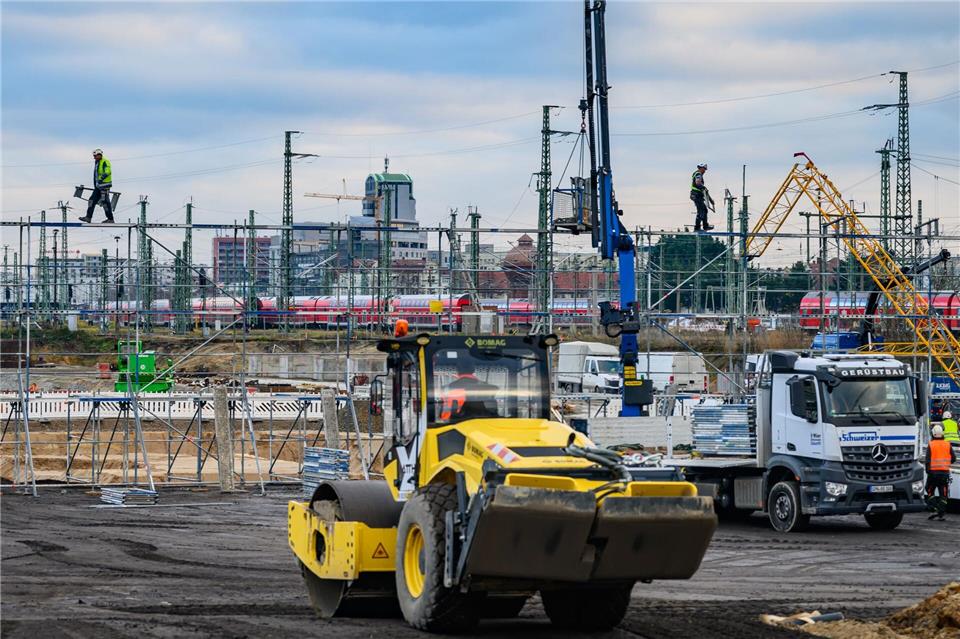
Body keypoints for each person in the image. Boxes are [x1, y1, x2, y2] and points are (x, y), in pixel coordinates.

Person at [440, 356, 498, 422]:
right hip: (484, 426)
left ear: (458, 370)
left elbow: (442, 415)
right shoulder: (488, 388)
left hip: (452, 426)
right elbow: (493, 412)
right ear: (473, 369)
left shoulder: (446, 389)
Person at [925, 423, 956, 521]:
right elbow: (954, 458)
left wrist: (928, 471)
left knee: (929, 490)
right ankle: (941, 513)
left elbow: (927, 460)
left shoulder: (931, 444)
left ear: (933, 434)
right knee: (944, 494)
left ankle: (934, 509)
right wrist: (946, 464)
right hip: (944, 473)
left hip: (933, 474)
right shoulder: (947, 444)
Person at [79, 148, 114, 223]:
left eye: (95, 156)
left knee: (105, 202)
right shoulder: (97, 162)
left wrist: (101, 178)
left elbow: (108, 171)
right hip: (98, 186)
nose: (94, 157)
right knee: (92, 200)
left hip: (104, 185)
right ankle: (88, 217)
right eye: (94, 156)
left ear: (99, 155)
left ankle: (110, 219)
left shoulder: (105, 161)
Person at [690, 163, 714, 232]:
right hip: (696, 195)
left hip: (697, 195)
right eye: (704, 169)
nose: (705, 171)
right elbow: (698, 183)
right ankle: (697, 228)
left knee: (704, 210)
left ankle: (705, 226)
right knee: (701, 211)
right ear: (700, 168)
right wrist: (703, 187)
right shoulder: (698, 174)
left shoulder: (698, 174)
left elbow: (705, 191)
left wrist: (710, 200)